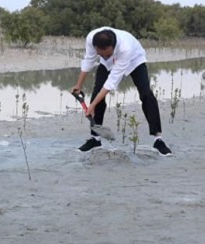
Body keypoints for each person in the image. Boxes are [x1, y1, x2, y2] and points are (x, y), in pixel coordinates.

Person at [69, 27, 172, 156]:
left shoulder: (125, 48)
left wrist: (92, 106)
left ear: (113, 47)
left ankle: (158, 140)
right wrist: (79, 85)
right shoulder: (91, 39)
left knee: (146, 94)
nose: (105, 57)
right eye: (101, 54)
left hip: (135, 60)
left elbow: (112, 82)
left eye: (108, 54)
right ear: (96, 47)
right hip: (110, 63)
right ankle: (95, 139)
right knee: (97, 93)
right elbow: (89, 60)